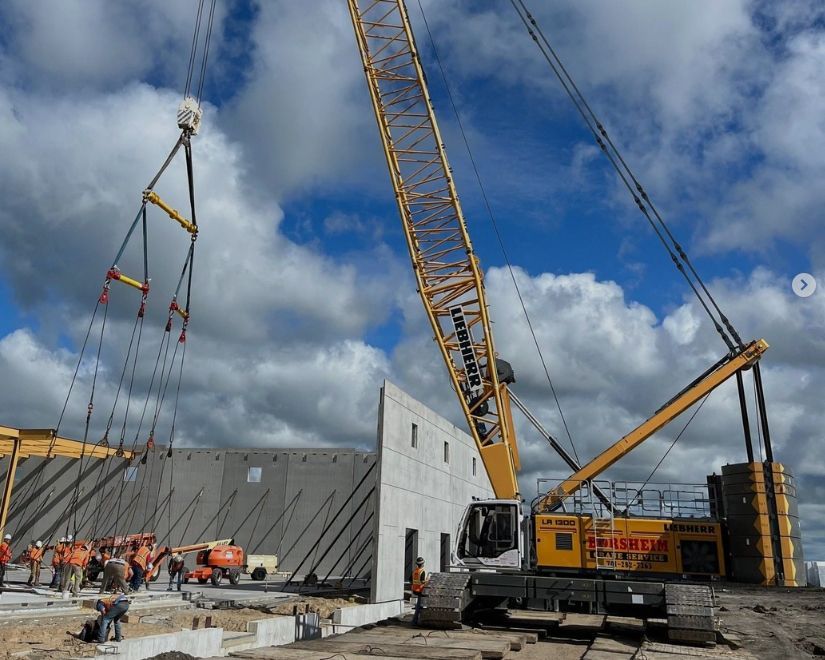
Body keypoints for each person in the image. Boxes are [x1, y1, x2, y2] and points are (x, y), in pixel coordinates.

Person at [411, 556, 428, 625]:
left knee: (420, 604)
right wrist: (427, 580)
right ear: (422, 564)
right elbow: (422, 581)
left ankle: (419, 620)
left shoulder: (414, 571)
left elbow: (410, 580)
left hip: (415, 590)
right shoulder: (422, 571)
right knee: (419, 606)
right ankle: (414, 621)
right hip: (421, 590)